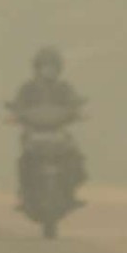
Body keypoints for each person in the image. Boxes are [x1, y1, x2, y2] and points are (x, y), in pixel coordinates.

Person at [6, 46, 86, 210]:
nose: (49, 70)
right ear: (37, 67)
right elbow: (18, 105)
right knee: (24, 160)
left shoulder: (64, 87)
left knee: (74, 155)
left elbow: (73, 103)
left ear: (59, 68)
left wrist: (77, 112)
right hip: (34, 132)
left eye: (53, 66)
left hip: (57, 131)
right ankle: (24, 192)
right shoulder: (28, 88)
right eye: (45, 66)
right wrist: (16, 114)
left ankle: (71, 190)